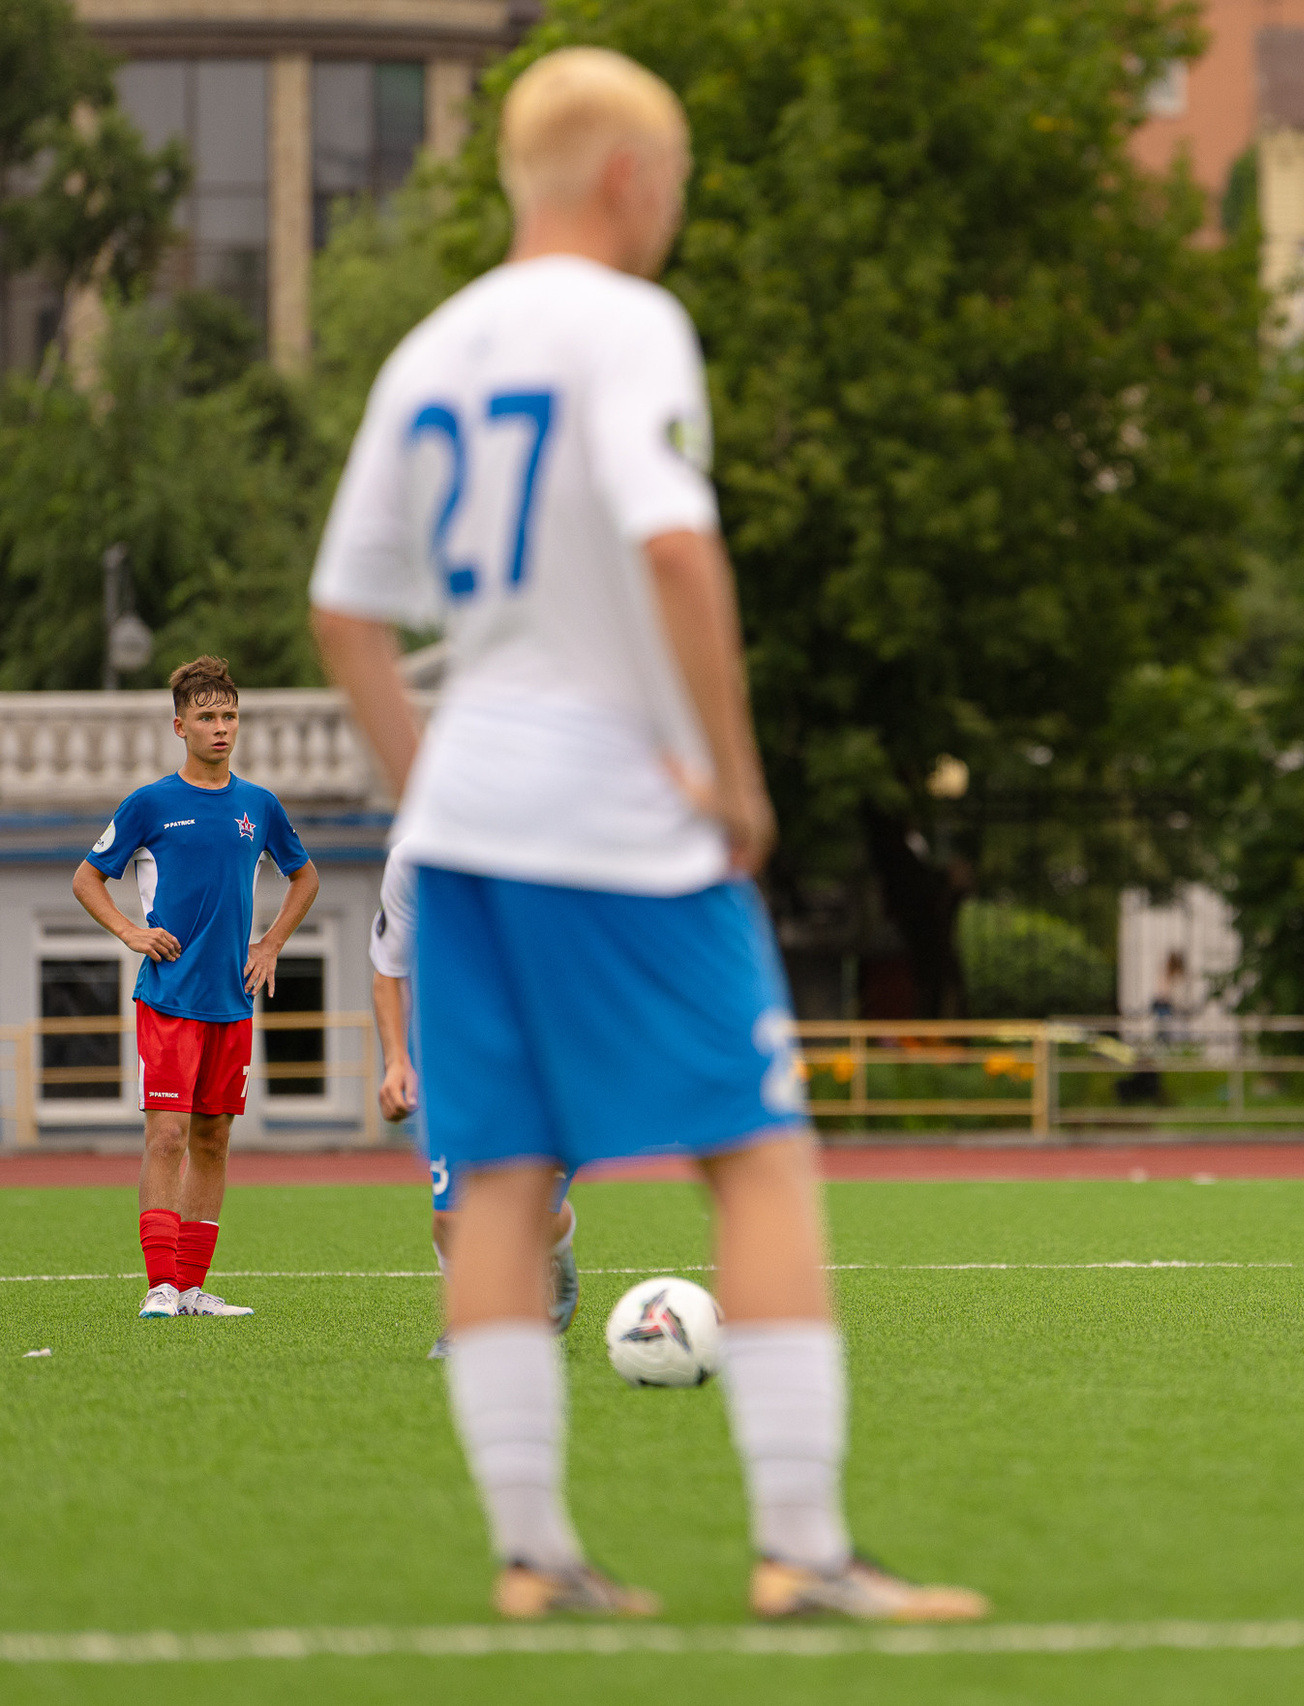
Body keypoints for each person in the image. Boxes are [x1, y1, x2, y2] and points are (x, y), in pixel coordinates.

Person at [308, 47, 985, 1623]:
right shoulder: (629, 324)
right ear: (628, 177)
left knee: (496, 1178)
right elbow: (677, 550)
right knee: (758, 1155)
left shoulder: (429, 348)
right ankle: (804, 1547)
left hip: (467, 832)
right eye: (673, 180)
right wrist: (732, 779)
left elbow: (346, 612)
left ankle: (533, 1555)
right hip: (617, 814)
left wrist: (430, 780)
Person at [73, 655, 319, 1321]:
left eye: (229, 715)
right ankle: (159, 1286)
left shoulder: (259, 806)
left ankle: (190, 1289)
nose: (221, 727)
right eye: (207, 717)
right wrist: (130, 932)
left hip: (231, 1002)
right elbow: (87, 878)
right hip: (169, 1000)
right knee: (167, 1137)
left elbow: (305, 877)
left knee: (213, 1141)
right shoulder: (150, 803)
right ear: (180, 726)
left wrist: (270, 944)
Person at [368, 838, 580, 1359]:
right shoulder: (413, 857)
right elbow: (389, 970)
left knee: (528, 1205)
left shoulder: (557, 845)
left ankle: (556, 1246)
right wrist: (396, 1061)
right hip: (454, 1058)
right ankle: (471, 1323)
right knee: (451, 1218)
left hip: (552, 1053)